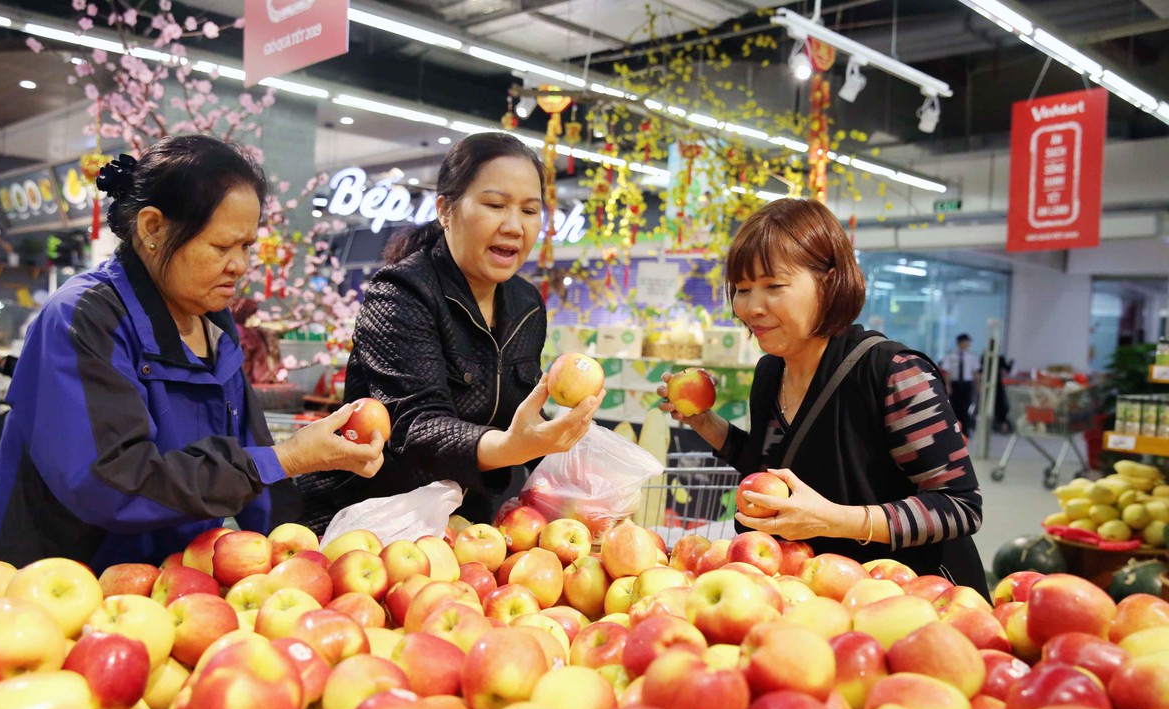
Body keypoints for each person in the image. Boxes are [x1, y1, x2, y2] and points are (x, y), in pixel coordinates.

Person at [0, 136, 386, 571]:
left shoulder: (214, 323)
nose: (240, 265)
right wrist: (287, 458)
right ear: (153, 228)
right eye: (220, 247)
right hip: (64, 589)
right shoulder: (83, 318)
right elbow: (113, 482)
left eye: (246, 246)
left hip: (173, 587)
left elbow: (253, 462)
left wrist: (302, 557)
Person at [659, 198, 987, 595]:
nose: (751, 307)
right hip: (816, 598)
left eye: (773, 286)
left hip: (902, 600)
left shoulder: (894, 372)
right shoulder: (770, 372)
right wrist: (703, 422)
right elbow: (775, 467)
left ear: (829, 282)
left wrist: (834, 519)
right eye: (742, 289)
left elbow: (960, 506)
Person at [299, 132, 601, 531]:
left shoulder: (527, 304)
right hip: (377, 523)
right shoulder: (401, 293)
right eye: (495, 205)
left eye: (530, 210)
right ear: (445, 209)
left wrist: (573, 464)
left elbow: (514, 410)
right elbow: (416, 427)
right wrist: (511, 445)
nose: (514, 226)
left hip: (466, 524)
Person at [941, 332, 980, 438]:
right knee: (954, 407)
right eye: (966, 342)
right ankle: (954, 430)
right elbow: (947, 373)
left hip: (967, 385)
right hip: (955, 384)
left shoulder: (972, 356)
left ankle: (965, 430)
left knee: (966, 407)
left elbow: (975, 372)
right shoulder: (951, 356)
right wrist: (948, 386)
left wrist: (978, 385)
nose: (967, 344)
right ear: (960, 343)